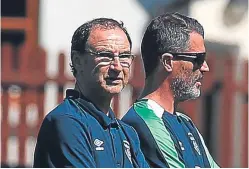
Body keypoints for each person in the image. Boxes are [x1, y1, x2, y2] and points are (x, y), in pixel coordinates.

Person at [33, 18, 149, 168]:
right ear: (77, 61)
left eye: (124, 56)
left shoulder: (127, 133)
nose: (117, 66)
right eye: (105, 55)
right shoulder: (67, 122)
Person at [122, 13, 219, 168]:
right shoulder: (145, 119)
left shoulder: (185, 122)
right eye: (198, 59)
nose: (205, 67)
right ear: (167, 62)